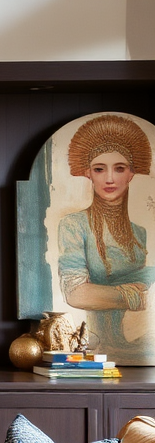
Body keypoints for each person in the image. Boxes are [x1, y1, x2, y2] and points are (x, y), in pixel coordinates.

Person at [57, 114, 155, 362]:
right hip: (95, 347)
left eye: (119, 168)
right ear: (88, 173)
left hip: (141, 346)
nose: (109, 178)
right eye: (100, 169)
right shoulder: (74, 224)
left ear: (132, 173)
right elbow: (75, 293)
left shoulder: (139, 233)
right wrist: (132, 294)